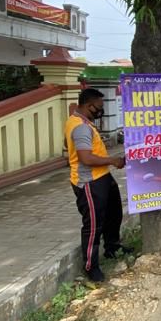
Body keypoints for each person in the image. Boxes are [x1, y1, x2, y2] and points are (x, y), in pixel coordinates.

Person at [64, 88, 125, 282]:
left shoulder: (83, 122)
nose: (101, 110)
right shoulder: (80, 126)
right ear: (87, 105)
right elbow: (86, 158)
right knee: (93, 224)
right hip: (89, 181)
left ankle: (112, 247)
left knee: (114, 212)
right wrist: (112, 160)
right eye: (98, 107)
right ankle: (91, 266)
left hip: (103, 177)